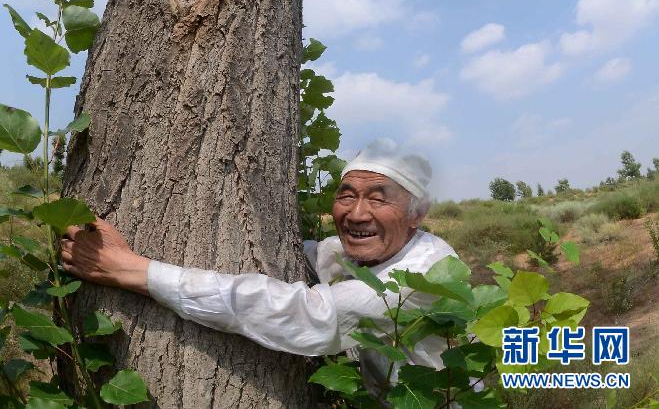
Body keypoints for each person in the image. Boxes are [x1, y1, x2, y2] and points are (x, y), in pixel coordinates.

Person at [61, 139, 457, 394]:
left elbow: (305, 314)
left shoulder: (426, 270)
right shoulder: (354, 250)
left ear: (416, 213)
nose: (356, 213)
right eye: (347, 194)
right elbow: (312, 252)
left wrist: (134, 270)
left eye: (378, 198)